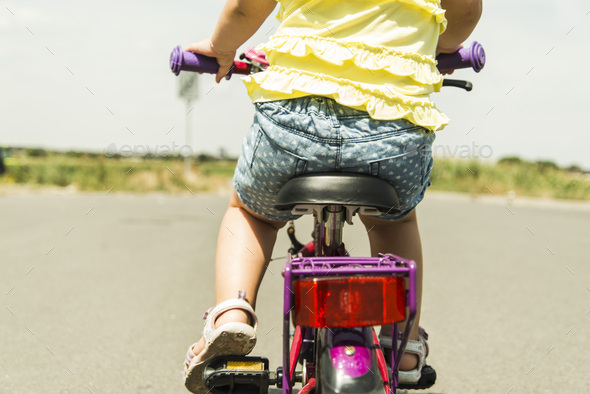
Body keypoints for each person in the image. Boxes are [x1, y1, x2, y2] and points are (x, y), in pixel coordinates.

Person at [182, 0, 482, 392]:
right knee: (394, 219)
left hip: (292, 128)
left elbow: (244, 7)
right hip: (393, 138)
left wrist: (222, 50)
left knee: (251, 213)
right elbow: (466, 9)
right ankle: (402, 344)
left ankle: (232, 315)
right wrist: (437, 48)